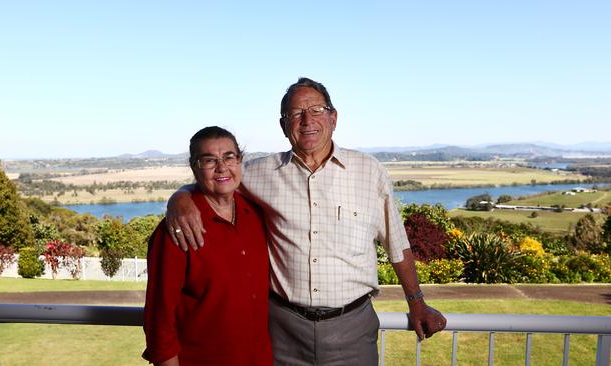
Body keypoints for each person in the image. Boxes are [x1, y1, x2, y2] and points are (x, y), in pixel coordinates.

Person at [166, 78, 446, 365]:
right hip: (282, 331)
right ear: (283, 125)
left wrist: (417, 303)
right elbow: (219, 176)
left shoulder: (369, 171)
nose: (307, 120)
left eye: (316, 110)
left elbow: (397, 244)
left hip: (353, 328)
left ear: (334, 118)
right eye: (296, 113)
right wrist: (181, 197)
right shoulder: (258, 173)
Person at [142, 126, 272, 366]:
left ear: (240, 161)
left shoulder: (256, 214)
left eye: (229, 157)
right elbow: (159, 317)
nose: (222, 167)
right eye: (209, 160)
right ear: (194, 167)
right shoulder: (174, 231)